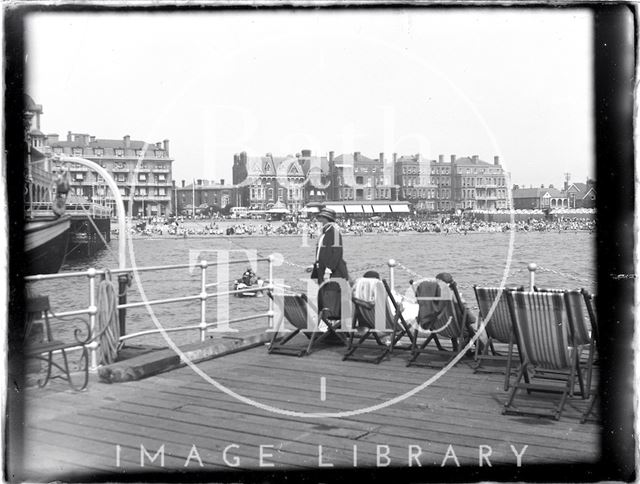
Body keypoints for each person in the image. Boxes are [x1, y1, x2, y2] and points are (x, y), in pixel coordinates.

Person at [311, 208, 350, 320]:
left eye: (320, 218)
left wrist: (329, 269)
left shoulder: (334, 233)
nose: (318, 221)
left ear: (326, 219)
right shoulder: (325, 233)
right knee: (325, 300)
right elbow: (322, 253)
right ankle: (328, 325)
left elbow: (336, 253)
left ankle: (334, 327)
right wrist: (315, 266)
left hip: (333, 273)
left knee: (332, 301)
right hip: (323, 271)